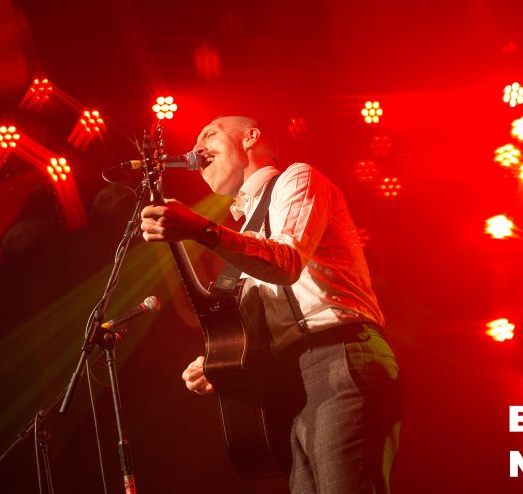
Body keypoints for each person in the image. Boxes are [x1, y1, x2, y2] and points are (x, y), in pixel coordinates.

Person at [140, 115, 402, 493]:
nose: (196, 148)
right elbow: (262, 320)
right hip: (292, 378)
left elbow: (286, 262)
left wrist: (201, 229)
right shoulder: (247, 231)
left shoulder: (297, 178)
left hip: (339, 353)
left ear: (250, 137)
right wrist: (222, 360)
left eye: (210, 134)